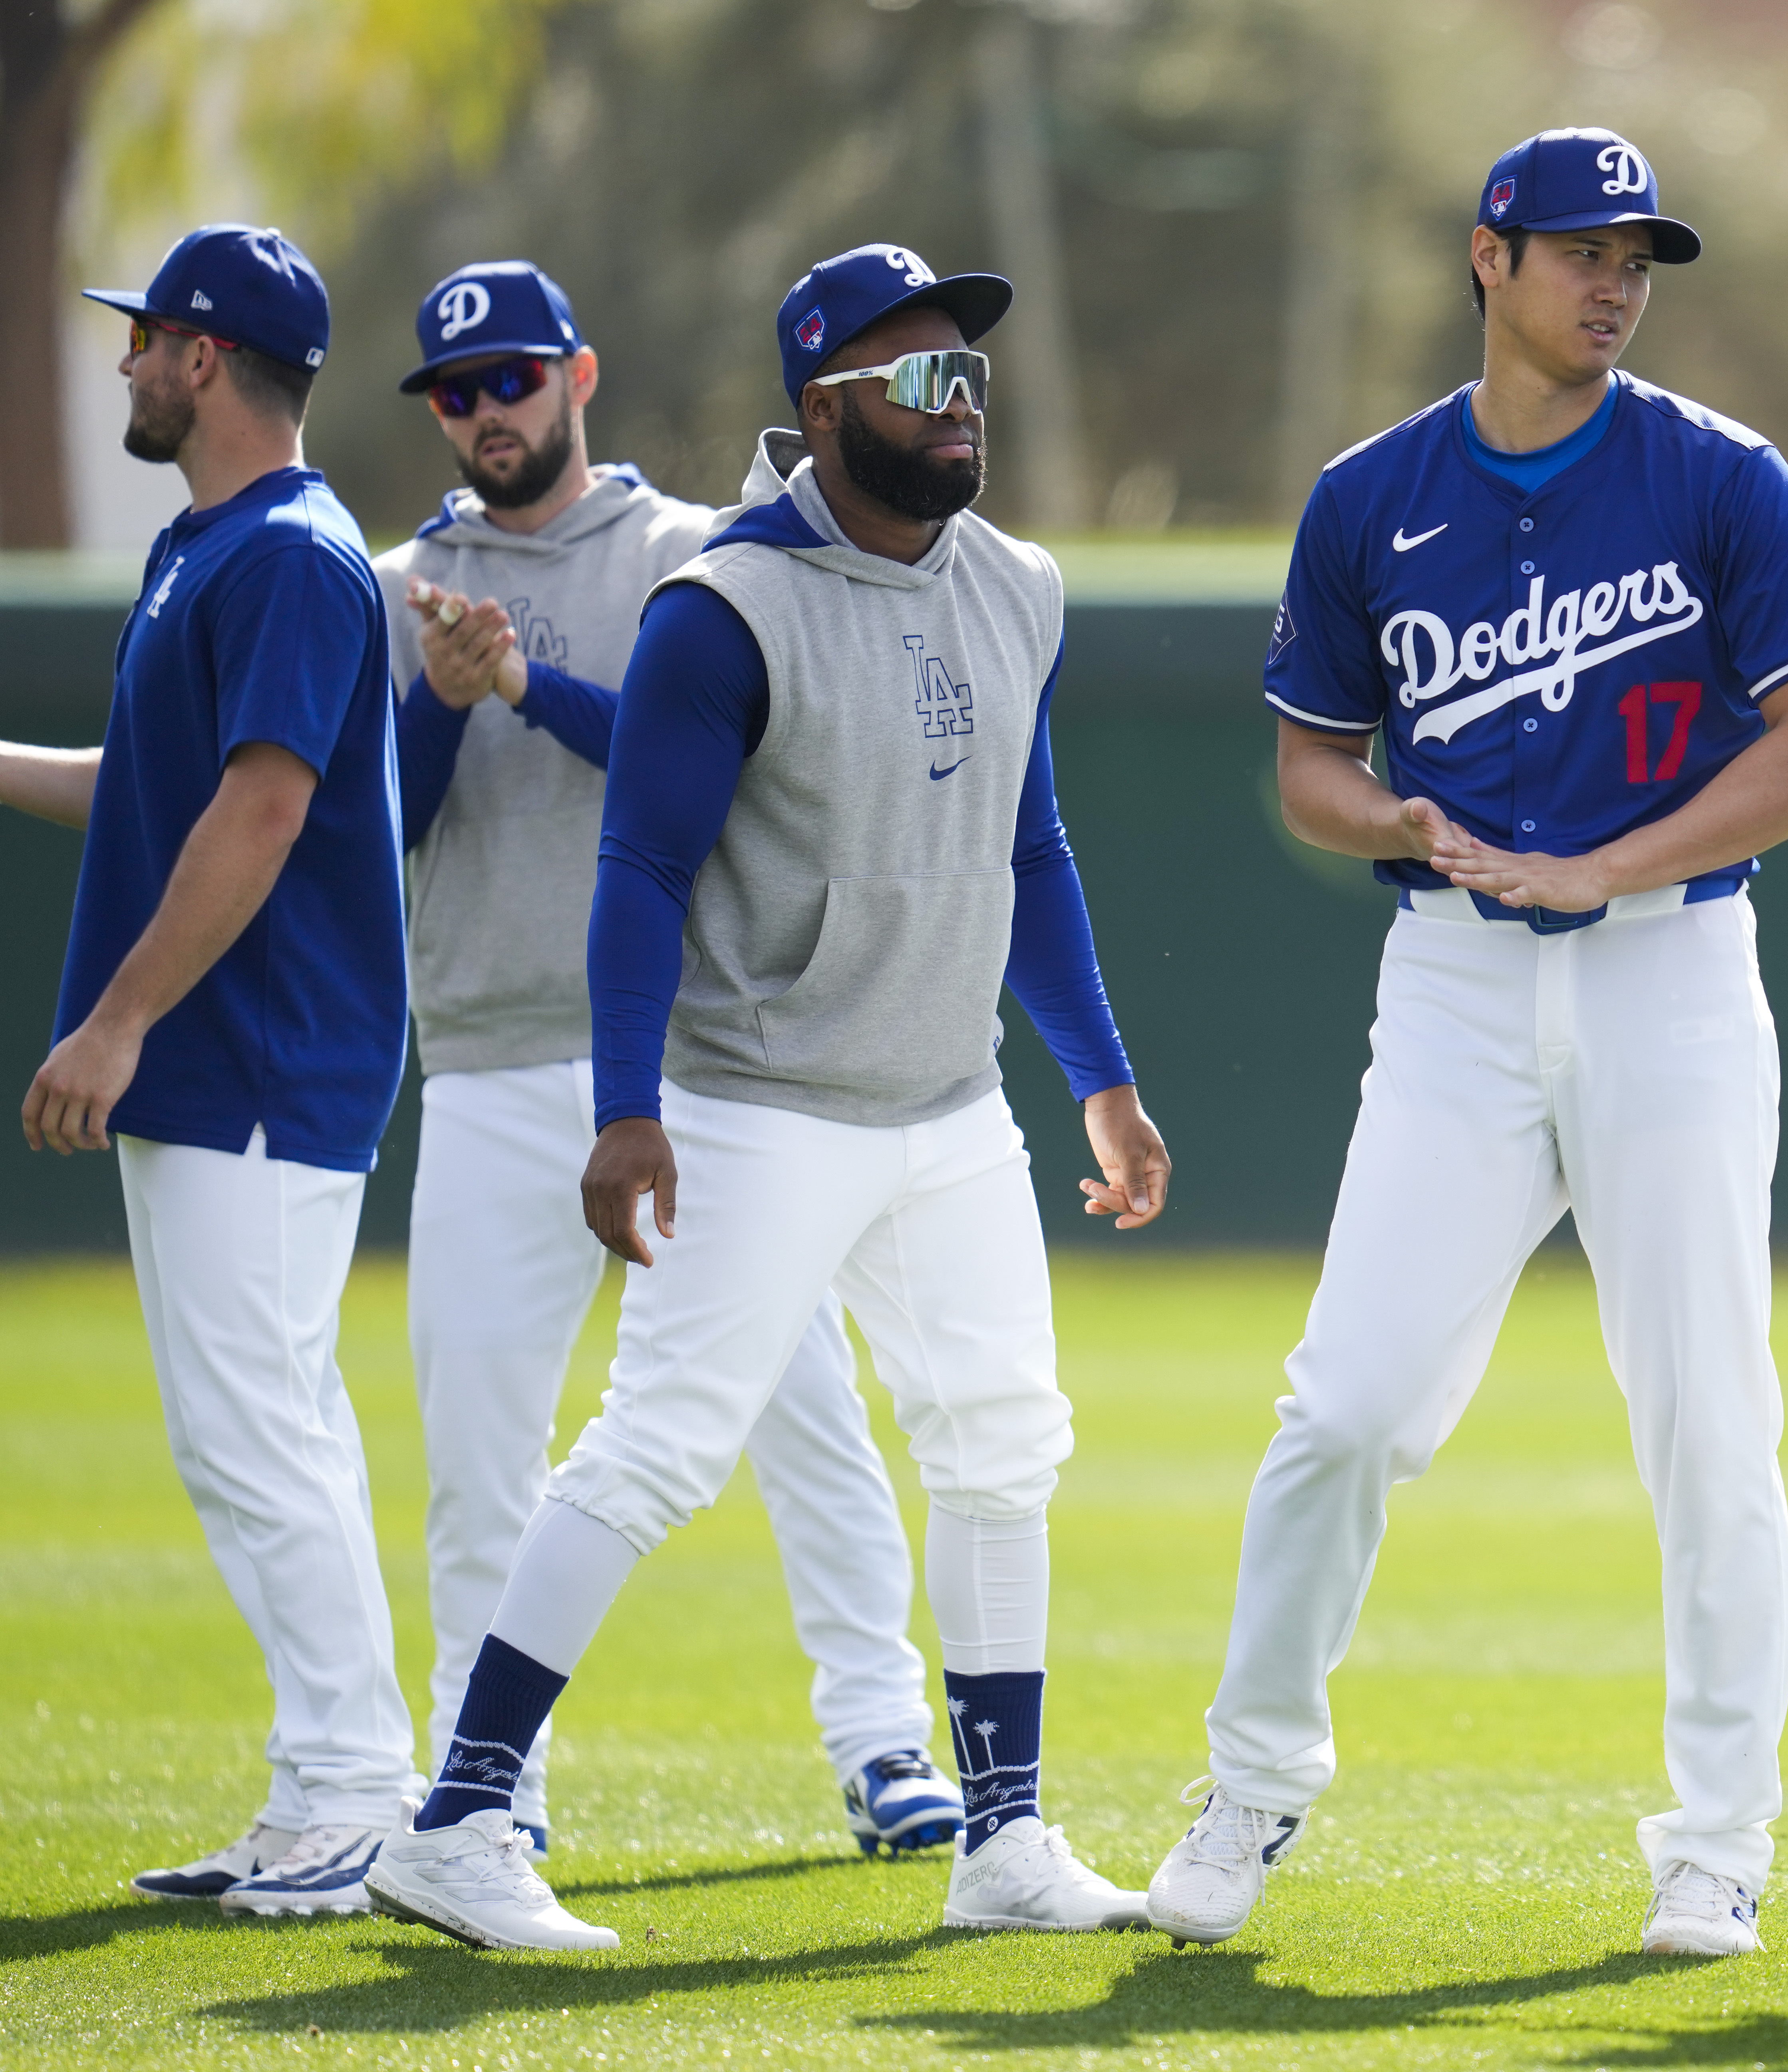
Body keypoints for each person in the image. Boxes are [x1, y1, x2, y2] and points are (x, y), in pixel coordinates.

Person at [364, 242, 1170, 1949]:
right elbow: (643, 868)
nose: (962, 407)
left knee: (1003, 1445)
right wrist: (630, 1109)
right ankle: (456, 1824)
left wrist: (1100, 1076)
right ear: (824, 408)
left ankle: (1005, 1840)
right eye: (922, 377)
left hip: (950, 1105)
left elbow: (1031, 846)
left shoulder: (1016, 579)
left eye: (973, 374)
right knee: (654, 1450)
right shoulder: (721, 605)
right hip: (764, 1100)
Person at [1142, 126, 1788, 1960]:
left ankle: (1718, 1837)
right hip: (1457, 983)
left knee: (1712, 1418)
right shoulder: (1371, 492)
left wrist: (1615, 858)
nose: (1615, 283)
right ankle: (1248, 1782)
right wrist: (1389, 820)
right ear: (1491, 257)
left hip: (1670, 969)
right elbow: (1311, 762)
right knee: (1347, 1404)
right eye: (1581, 252)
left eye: (1637, 256)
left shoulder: (1718, 476)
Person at [375, 258, 964, 1863]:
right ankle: (490, 1798)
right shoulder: (400, 578)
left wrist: (522, 684)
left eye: (510, 378)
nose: (485, 411)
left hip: (701, 1058)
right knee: (483, 1442)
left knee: (805, 1414)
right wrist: (440, 705)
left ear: (577, 373)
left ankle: (884, 1746)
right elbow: (384, 830)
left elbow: (693, 783)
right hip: (496, 1053)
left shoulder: (696, 552)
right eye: (454, 392)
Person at [0, 226, 414, 1916]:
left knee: (258, 1434)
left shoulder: (296, 556)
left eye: (145, 336)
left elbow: (261, 815)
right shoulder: (214, 547)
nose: (122, 362)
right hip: (227, 1062)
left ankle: (353, 1800)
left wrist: (118, 1019)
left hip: (260, 1055)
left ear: (205, 357)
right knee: (257, 1431)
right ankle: (323, 1785)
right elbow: (162, 787)